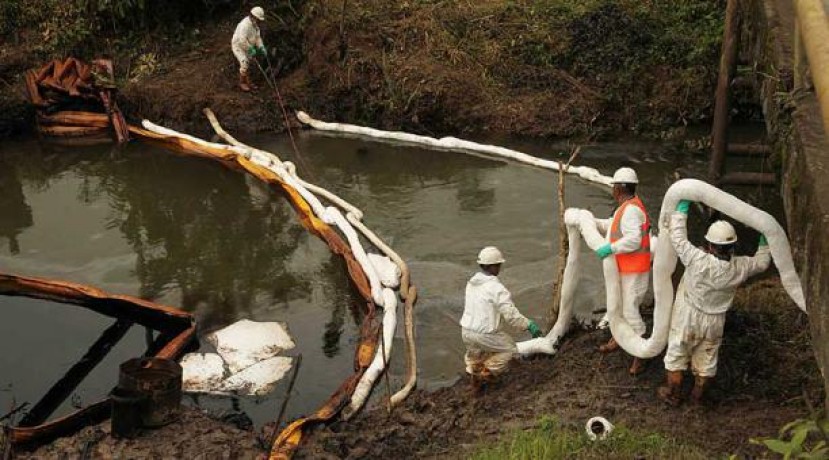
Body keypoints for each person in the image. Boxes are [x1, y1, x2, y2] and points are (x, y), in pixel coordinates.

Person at [657, 201, 770, 405]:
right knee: (706, 360)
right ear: (733, 246)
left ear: (709, 245)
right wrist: (765, 239)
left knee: (676, 355)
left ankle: (673, 394)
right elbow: (762, 263)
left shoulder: (698, 260)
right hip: (715, 320)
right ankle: (697, 398)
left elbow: (678, 238)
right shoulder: (740, 267)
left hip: (688, 315)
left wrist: (681, 212)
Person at [593, 167, 651, 375]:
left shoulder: (631, 210)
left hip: (634, 271)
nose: (613, 190)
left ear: (618, 188)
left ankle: (641, 352)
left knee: (629, 311)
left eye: (614, 186)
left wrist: (612, 248)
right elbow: (617, 228)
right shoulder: (627, 207)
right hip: (627, 269)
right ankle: (618, 337)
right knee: (618, 307)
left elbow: (634, 239)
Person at [460, 246, 543, 390]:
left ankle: (474, 379)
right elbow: (511, 316)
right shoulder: (497, 288)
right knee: (509, 350)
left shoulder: (471, 284)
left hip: (466, 331)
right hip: (485, 334)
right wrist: (529, 325)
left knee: (476, 357)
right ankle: (485, 374)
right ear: (493, 266)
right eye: (499, 265)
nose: (499, 268)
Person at [232, 6, 267, 92]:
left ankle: (248, 81)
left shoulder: (255, 25)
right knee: (244, 61)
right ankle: (242, 82)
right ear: (253, 16)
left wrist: (261, 47)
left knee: (250, 62)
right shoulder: (245, 25)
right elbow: (242, 40)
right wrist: (250, 49)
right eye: (258, 19)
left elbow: (257, 38)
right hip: (238, 46)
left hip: (248, 46)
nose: (259, 21)